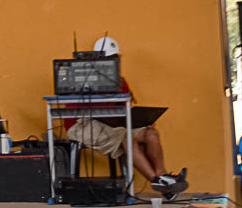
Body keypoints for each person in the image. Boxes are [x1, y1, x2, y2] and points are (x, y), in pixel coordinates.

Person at [65, 36, 188, 199]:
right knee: (126, 136)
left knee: (151, 134)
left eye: (115, 58)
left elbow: (124, 109)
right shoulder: (82, 77)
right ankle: (160, 183)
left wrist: (142, 121)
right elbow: (85, 108)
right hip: (83, 123)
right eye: (109, 59)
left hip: (114, 123)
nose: (113, 62)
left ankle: (162, 175)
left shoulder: (120, 81)